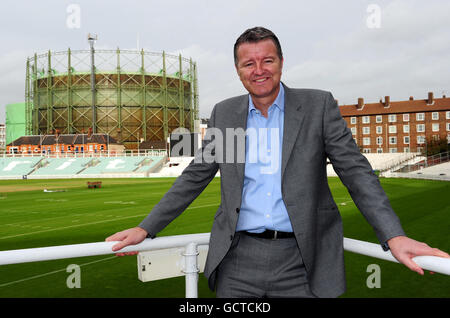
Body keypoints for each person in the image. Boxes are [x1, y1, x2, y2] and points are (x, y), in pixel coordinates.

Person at [106, 26, 449, 298]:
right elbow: (196, 176)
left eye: (267, 61)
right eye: (248, 64)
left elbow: (356, 174)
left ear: (281, 63)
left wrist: (394, 236)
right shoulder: (226, 113)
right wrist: (146, 227)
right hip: (237, 260)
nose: (259, 71)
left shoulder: (317, 106)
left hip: (303, 260)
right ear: (238, 70)